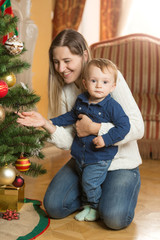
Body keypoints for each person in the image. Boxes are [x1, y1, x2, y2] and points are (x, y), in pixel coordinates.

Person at [17, 29, 144, 230]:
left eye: (67, 61)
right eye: (56, 62)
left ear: (84, 55)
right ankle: (93, 194)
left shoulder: (109, 78)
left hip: (120, 164)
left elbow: (137, 127)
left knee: (114, 219)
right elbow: (70, 140)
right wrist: (46, 124)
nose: (61, 68)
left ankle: (106, 195)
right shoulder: (67, 91)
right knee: (54, 206)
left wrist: (95, 128)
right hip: (85, 161)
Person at [50, 58, 131, 221]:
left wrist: (106, 139)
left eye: (105, 82)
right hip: (81, 155)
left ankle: (94, 207)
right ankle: (87, 206)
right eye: (94, 81)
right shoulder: (81, 100)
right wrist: (50, 122)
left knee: (89, 182)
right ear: (85, 83)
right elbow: (70, 116)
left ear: (113, 86)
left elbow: (124, 127)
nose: (99, 86)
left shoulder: (112, 106)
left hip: (99, 158)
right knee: (84, 181)